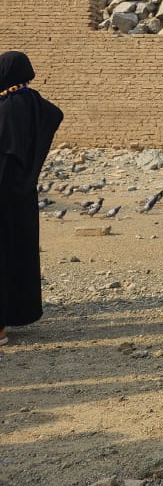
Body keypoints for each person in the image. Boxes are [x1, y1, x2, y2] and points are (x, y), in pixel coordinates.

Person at [0, 52, 63, 347]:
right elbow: (55, 114)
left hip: (4, 193)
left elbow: (6, 154)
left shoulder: (11, 107)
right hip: (23, 194)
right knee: (18, 256)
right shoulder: (34, 103)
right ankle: (16, 313)